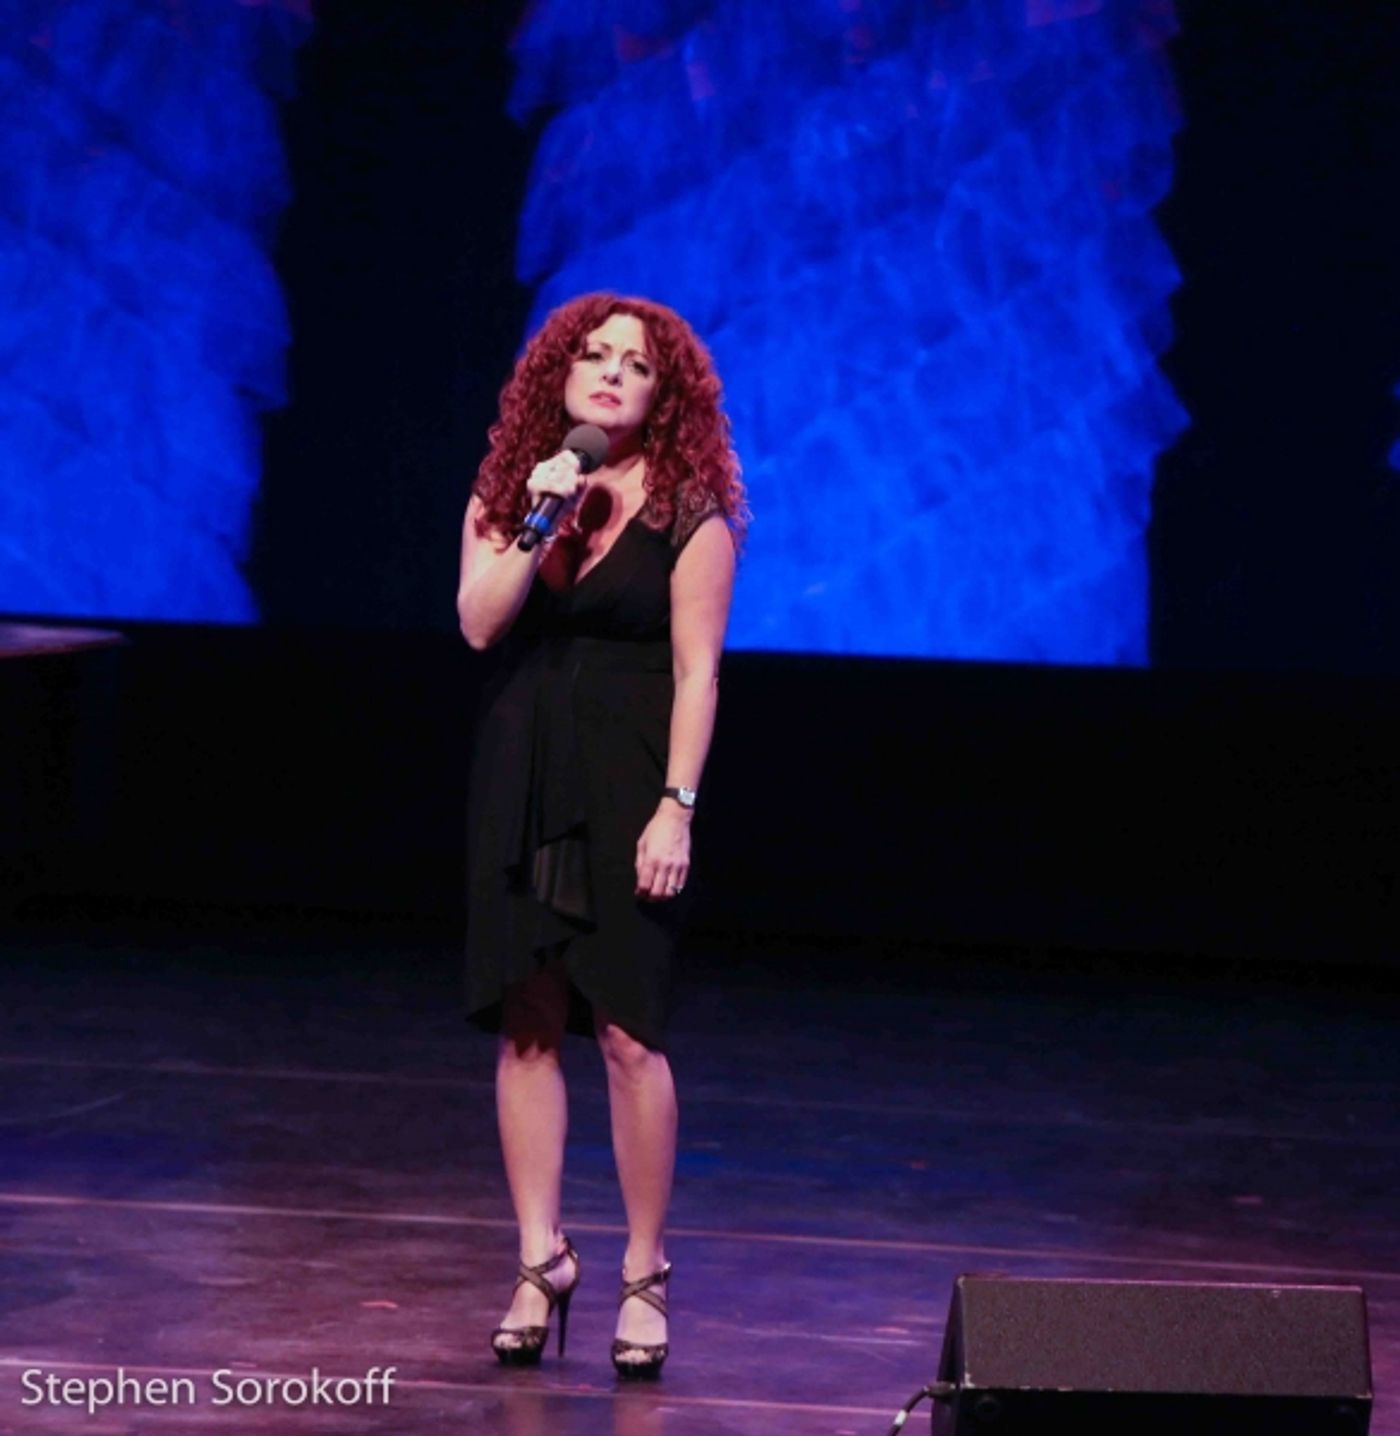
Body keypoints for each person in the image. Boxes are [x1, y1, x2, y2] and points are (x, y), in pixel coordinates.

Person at [457, 293, 747, 1378]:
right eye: (594, 355)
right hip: (521, 772)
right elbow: (480, 621)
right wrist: (540, 516)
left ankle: (642, 1271)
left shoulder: (691, 509)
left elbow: (696, 671)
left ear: (663, 394)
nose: (612, 372)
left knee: (627, 1030)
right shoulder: (514, 492)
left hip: (628, 780)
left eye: (636, 362)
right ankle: (539, 1258)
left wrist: (675, 805)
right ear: (560, 377)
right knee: (527, 1019)